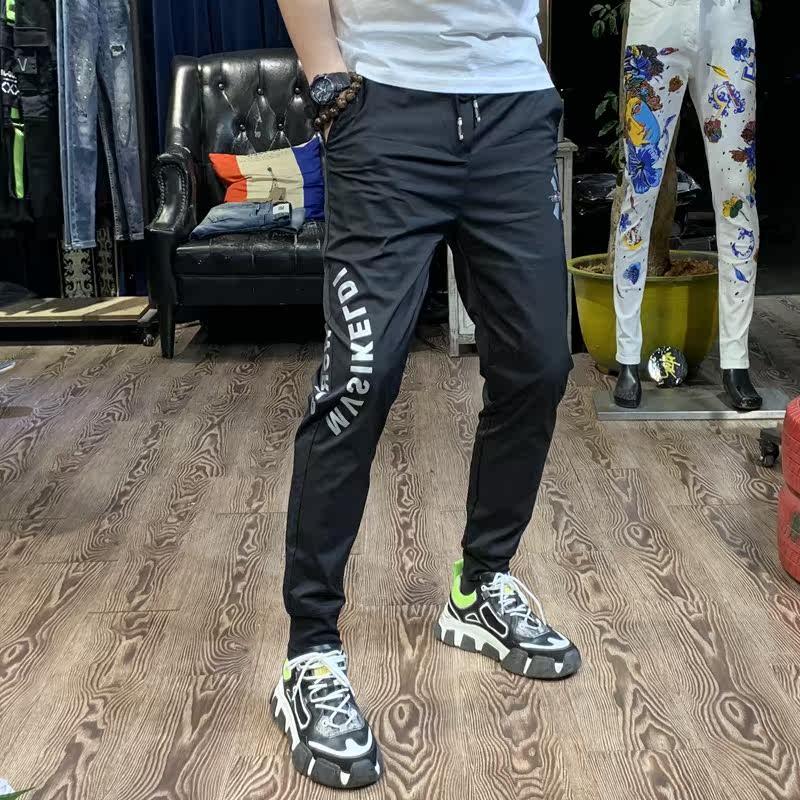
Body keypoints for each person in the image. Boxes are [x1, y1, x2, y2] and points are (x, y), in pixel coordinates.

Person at [272, 0, 581, 788]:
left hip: (512, 101)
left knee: (540, 364)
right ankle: (310, 652)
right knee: (358, 381)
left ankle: (480, 584)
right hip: (384, 102)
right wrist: (326, 75)